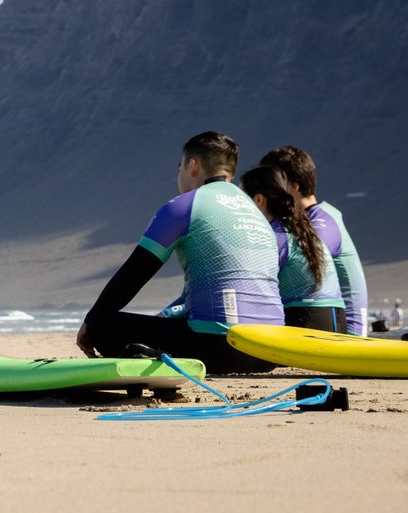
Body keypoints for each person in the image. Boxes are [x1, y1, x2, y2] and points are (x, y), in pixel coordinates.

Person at [75, 131, 283, 373]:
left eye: (179, 166)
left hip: (224, 350)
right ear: (231, 172)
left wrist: (91, 322)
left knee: (103, 324)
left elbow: (133, 275)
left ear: (192, 165)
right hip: (270, 350)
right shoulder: (256, 213)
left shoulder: (184, 207)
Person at [260, 145, 370, 336]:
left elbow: (288, 259)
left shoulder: (322, 220)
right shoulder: (305, 220)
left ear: (293, 188)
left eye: (271, 183)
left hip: (347, 332)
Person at [238, 165, 343, 332]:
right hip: (335, 317)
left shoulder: (275, 235)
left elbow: (248, 285)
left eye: (241, 199)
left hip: (306, 319)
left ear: (258, 200)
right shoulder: (301, 228)